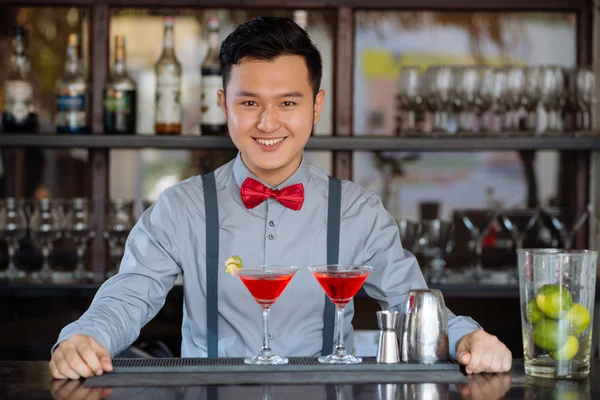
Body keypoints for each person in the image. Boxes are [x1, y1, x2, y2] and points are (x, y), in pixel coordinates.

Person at [49, 16, 511, 380]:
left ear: (316, 106)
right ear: (223, 104)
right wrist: (84, 337)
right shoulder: (180, 208)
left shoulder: (358, 212)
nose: (268, 123)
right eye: (249, 103)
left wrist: (468, 337)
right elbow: (128, 297)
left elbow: (412, 303)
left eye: (287, 103)